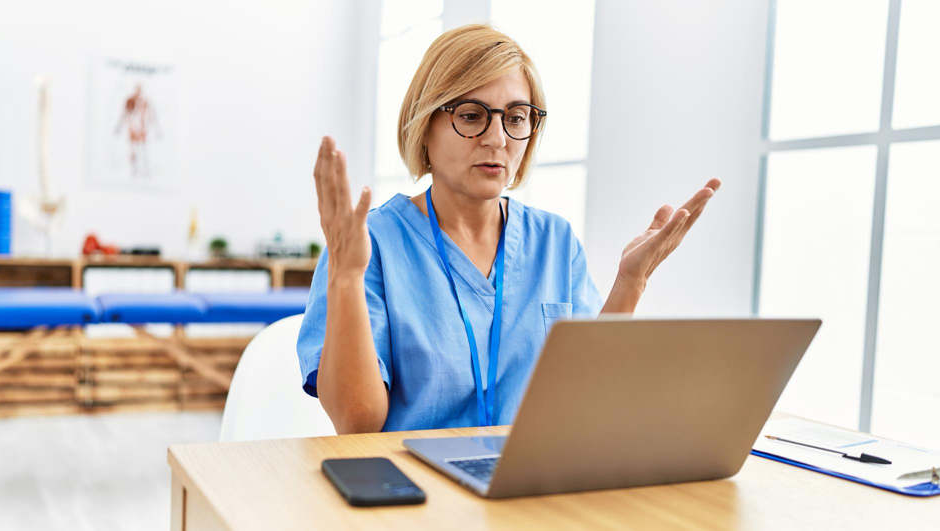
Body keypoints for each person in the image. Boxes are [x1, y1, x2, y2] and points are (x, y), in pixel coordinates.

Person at [298, 24, 720, 434]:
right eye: (471, 115)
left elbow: (584, 402)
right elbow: (357, 422)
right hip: (413, 491)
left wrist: (631, 283)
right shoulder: (368, 244)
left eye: (516, 118)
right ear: (424, 125)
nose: (498, 139)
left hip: (529, 485)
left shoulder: (555, 242)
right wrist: (348, 277)